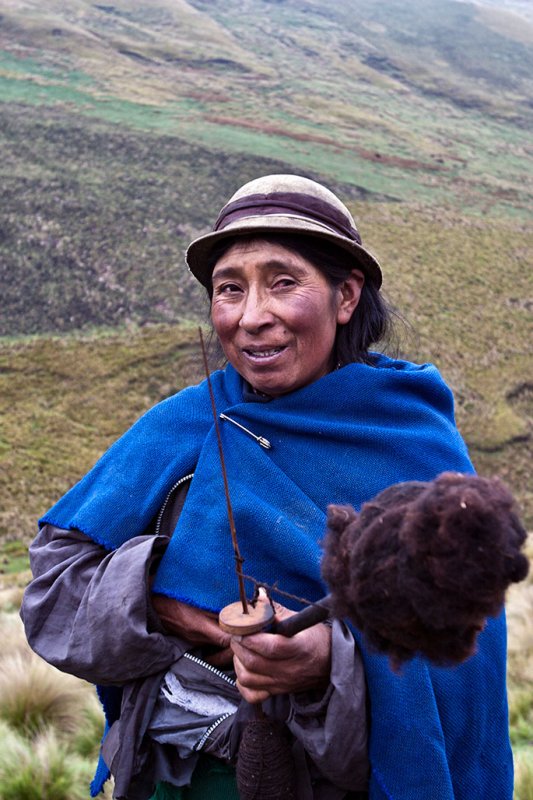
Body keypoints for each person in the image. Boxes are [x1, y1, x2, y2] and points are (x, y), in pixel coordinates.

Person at [20, 174, 513, 800]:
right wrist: (171, 605)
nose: (253, 317)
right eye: (230, 289)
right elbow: (55, 585)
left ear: (346, 295)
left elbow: (459, 647)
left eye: (284, 282)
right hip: (175, 780)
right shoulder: (187, 421)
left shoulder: (411, 439)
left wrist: (329, 660)